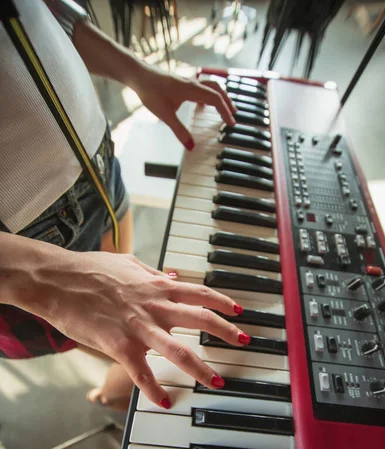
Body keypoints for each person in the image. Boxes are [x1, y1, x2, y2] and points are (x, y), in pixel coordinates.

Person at [0, 0, 251, 411]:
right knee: (113, 336)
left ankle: (117, 385)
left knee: (133, 303)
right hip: (19, 246)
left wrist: (136, 71)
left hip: (97, 167)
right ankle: (112, 391)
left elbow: (40, 11)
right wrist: (53, 277)